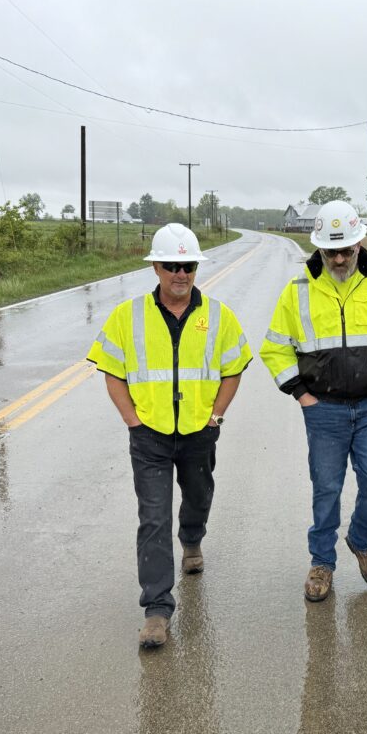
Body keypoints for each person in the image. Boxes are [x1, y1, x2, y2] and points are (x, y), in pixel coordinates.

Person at [86, 223, 251, 648]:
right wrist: (132, 421)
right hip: (150, 437)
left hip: (199, 432)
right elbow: (112, 373)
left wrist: (216, 415)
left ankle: (192, 540)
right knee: (153, 518)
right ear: (156, 267)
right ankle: (157, 609)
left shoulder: (217, 316)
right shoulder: (128, 316)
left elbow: (233, 369)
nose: (181, 273)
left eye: (189, 265)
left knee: (198, 498)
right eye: (172, 265)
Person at [260, 200, 367, 602]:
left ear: (360, 244)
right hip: (324, 409)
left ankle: (362, 540)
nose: (338, 258)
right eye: (330, 251)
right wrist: (301, 394)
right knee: (327, 487)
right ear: (318, 248)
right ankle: (322, 563)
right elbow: (274, 348)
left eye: (346, 250)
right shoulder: (298, 290)